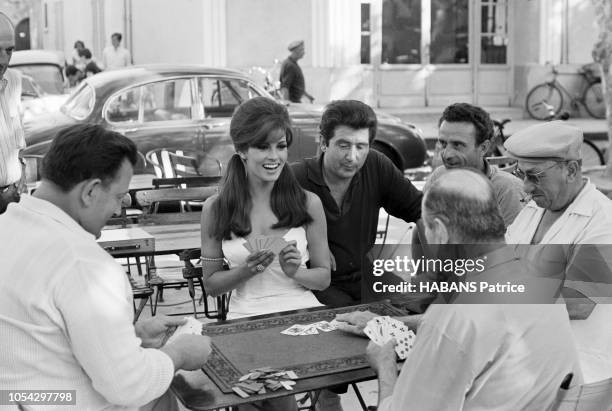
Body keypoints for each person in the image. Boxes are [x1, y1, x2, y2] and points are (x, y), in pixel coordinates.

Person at [0, 124, 212, 410]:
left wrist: (130, 334)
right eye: (117, 197)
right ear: (90, 191)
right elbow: (128, 386)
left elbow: (44, 334)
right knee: (161, 395)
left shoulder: (8, 226)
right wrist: (179, 355)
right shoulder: (83, 263)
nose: (117, 210)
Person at [362, 169, 582, 410]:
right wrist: (401, 323)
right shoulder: (542, 281)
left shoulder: (454, 317)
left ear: (441, 231)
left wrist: (384, 364)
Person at [200, 97, 330, 411]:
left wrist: (295, 272)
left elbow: (324, 279)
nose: (274, 157)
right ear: (241, 149)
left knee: (275, 394)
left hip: (301, 316)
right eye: (263, 147)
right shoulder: (215, 208)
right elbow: (211, 285)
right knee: (255, 395)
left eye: (281, 146)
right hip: (246, 319)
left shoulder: (308, 202)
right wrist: (246, 270)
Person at [505, 121, 612, 383]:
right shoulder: (534, 209)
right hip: (524, 358)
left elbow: (576, 303)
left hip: (578, 371)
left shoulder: (604, 221)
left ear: (571, 170)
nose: (527, 187)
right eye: (522, 175)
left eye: (536, 176)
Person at [292, 100, 422, 307]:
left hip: (365, 275)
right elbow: (261, 229)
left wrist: (432, 268)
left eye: (361, 146)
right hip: (316, 284)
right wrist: (312, 243)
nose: (352, 157)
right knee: (347, 324)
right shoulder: (296, 178)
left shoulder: (377, 165)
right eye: (343, 145)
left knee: (416, 304)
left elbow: (421, 210)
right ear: (324, 142)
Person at [425, 102, 524, 226]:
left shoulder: (507, 190)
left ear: (483, 147)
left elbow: (515, 243)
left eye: (458, 145)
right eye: (443, 143)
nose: (447, 154)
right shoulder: (438, 177)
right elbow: (423, 230)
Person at [0, 12, 25, 214]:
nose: (3, 60)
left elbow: (18, 140)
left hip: (13, 199)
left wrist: (21, 171)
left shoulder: (14, 80)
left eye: (9, 51)